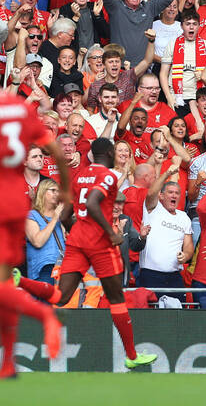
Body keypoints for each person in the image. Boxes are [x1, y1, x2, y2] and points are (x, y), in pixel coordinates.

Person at [0, 51, 72, 379]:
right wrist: (63, 185)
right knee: (2, 282)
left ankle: (45, 315)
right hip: (17, 203)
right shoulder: (21, 108)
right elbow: (54, 149)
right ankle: (8, 363)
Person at [47, 136, 156, 368]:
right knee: (117, 299)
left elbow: (66, 215)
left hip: (77, 241)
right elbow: (94, 204)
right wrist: (111, 233)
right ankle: (132, 356)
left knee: (61, 297)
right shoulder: (107, 176)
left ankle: (21, 286)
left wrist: (75, 233)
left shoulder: (79, 176)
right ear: (109, 154)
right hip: (99, 244)